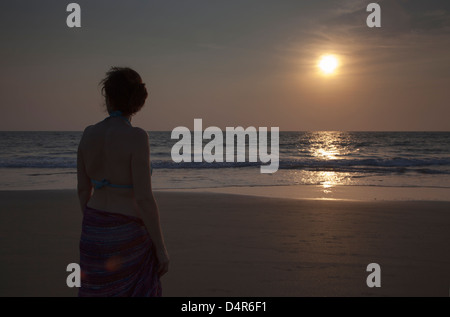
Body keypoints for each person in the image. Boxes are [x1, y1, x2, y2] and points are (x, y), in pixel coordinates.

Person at [77, 67, 169, 297]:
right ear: (137, 102)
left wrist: (94, 224)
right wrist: (161, 248)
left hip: (93, 227)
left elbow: (82, 189)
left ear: (108, 97)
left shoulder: (88, 134)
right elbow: (144, 199)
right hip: (127, 233)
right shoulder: (137, 137)